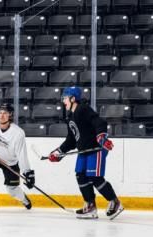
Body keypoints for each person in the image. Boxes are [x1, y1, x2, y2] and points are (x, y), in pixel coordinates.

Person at [48, 86, 124, 220]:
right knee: (81, 175)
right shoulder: (70, 116)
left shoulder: (83, 109)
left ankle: (115, 202)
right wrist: (58, 152)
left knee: (94, 177)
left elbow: (99, 122)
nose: (63, 101)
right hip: (84, 150)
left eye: (65, 98)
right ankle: (90, 206)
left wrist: (101, 137)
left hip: (96, 148)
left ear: (73, 99)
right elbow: (71, 140)